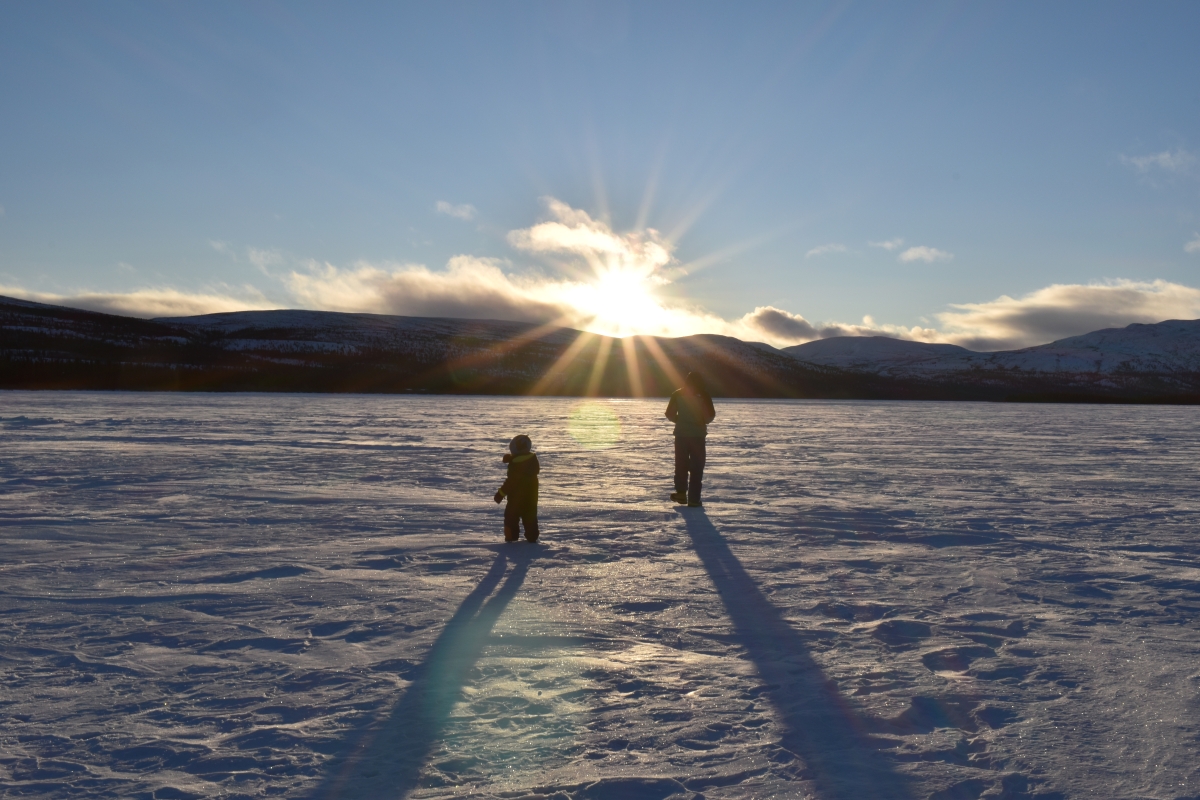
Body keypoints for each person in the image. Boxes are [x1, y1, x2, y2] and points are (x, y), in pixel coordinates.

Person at [665, 372, 715, 507]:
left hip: (681, 435)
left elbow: (669, 414)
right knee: (697, 467)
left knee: (681, 464)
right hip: (697, 436)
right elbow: (709, 417)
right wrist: (700, 422)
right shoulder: (704, 395)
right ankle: (694, 499)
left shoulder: (677, 394)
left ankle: (681, 494)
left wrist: (680, 421)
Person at [494, 434, 540, 542]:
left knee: (511, 517)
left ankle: (511, 537)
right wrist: (510, 458)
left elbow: (511, 483)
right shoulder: (531, 462)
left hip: (515, 500)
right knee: (530, 518)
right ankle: (532, 536)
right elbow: (522, 460)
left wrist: (500, 494)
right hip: (531, 500)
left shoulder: (516, 465)